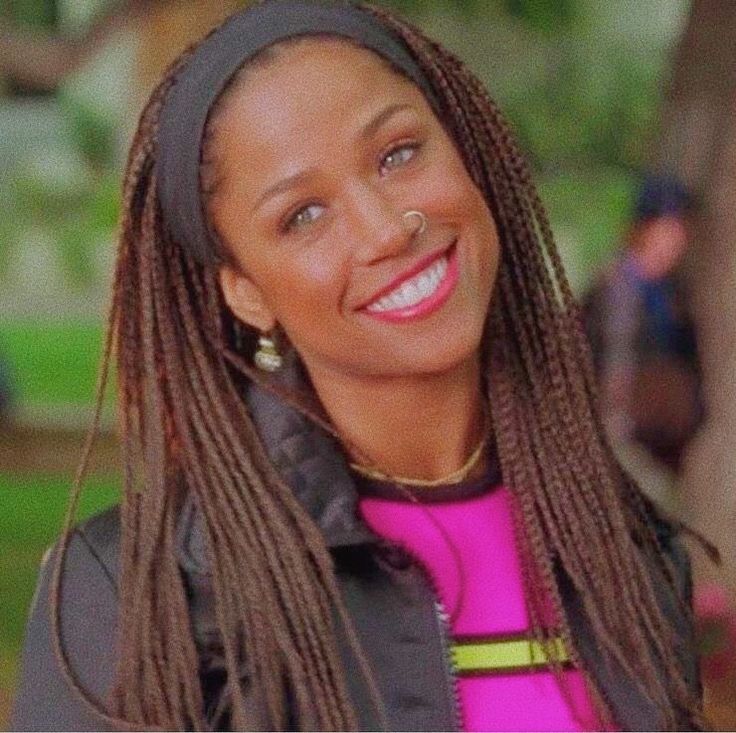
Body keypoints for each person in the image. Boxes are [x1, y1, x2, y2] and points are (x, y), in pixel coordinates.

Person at [11, 2, 706, 730]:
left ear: (466, 151)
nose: (384, 227)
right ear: (246, 290)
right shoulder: (142, 593)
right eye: (302, 215)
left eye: (399, 153)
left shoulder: (627, 553)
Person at [583, 174, 703, 474]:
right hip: (616, 439)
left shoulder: (673, 293)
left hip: (660, 445)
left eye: (680, 233)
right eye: (668, 231)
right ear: (646, 228)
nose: (677, 242)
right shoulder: (613, 288)